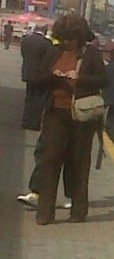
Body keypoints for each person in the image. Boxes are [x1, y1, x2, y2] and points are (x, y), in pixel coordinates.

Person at [35, 16, 107, 225]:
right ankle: (45, 212)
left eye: (71, 38)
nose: (66, 42)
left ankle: (78, 210)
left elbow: (103, 80)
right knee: (50, 161)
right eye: (63, 38)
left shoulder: (91, 55)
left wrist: (80, 79)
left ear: (80, 37)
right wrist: (54, 76)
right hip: (55, 114)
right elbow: (36, 78)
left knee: (79, 163)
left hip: (82, 117)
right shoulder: (53, 52)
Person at [16, 25, 69, 208]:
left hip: (67, 110)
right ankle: (39, 194)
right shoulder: (53, 50)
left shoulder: (29, 41)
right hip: (54, 109)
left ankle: (67, 197)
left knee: (59, 154)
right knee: (45, 151)